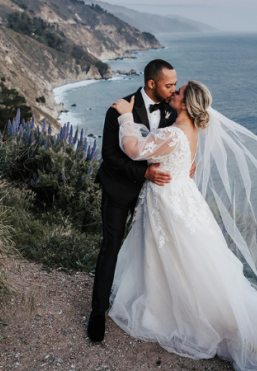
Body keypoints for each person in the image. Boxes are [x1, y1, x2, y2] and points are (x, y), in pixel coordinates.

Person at [107, 80, 257, 370]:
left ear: (185, 103)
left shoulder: (174, 133)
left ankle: (168, 313)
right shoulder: (190, 132)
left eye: (178, 92)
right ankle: (164, 305)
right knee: (186, 257)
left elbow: (133, 149)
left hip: (168, 201)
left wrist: (125, 115)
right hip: (183, 197)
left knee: (173, 255)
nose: (173, 93)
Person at [89, 59, 196, 342]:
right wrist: (144, 172)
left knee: (155, 249)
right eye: (169, 85)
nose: (174, 90)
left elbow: (180, 143)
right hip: (119, 189)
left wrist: (184, 166)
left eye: (176, 85)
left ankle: (154, 308)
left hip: (157, 196)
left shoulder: (174, 113)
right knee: (111, 247)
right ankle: (97, 313)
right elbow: (110, 155)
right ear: (152, 83)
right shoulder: (119, 109)